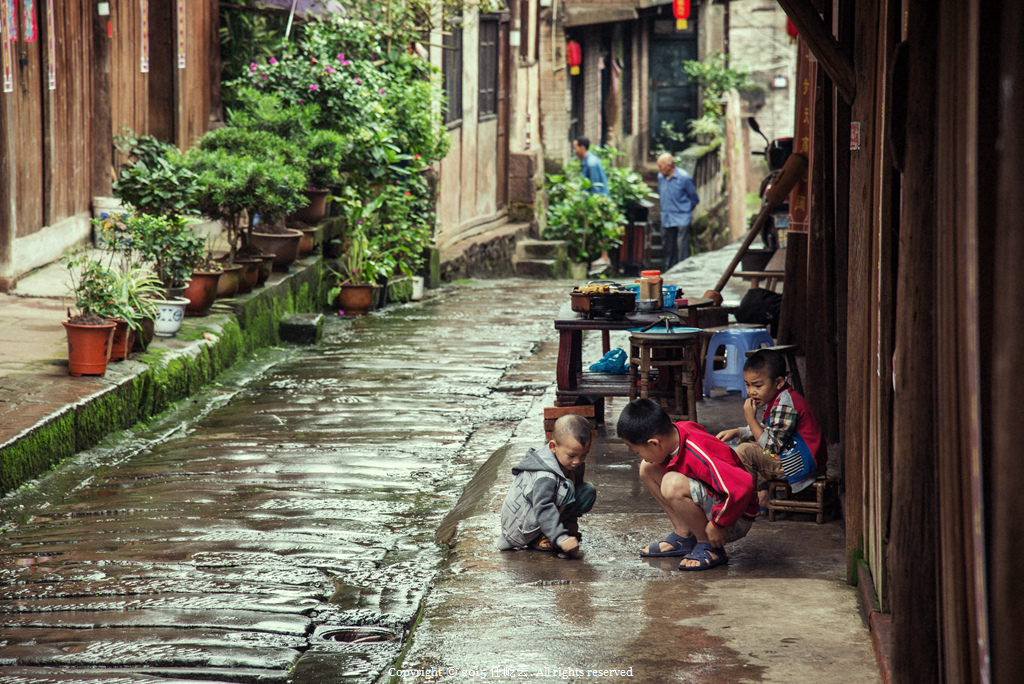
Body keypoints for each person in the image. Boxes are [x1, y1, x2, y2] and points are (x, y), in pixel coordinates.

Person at [617, 398, 757, 571]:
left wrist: (718, 524)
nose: (640, 456)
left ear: (654, 443)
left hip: (735, 518)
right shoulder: (677, 432)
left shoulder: (697, 452)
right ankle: (685, 534)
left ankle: (709, 545)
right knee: (647, 467)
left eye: (638, 451)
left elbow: (744, 486)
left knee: (671, 484)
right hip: (719, 506)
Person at [715, 349, 826, 510]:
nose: (752, 391)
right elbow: (767, 431)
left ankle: (746, 505)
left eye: (758, 385)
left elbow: (771, 445)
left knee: (746, 451)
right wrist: (737, 431)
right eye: (748, 385)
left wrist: (750, 419)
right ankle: (762, 496)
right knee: (745, 440)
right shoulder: (780, 397)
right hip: (794, 456)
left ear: (779, 382)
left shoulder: (785, 405)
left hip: (802, 464)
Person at [498, 414, 596, 553]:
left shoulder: (573, 464)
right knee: (567, 487)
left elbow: (574, 494)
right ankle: (543, 536)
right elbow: (543, 507)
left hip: (541, 517)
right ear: (553, 447)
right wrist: (560, 537)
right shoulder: (544, 475)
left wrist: (572, 522)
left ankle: (560, 525)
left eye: (583, 455)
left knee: (587, 491)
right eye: (571, 455)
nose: (577, 461)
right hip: (521, 530)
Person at [573, 136, 612, 267]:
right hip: (596, 199)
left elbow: (595, 186)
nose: (574, 150)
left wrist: (593, 204)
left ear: (582, 148)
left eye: (575, 147)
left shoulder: (591, 163)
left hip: (599, 199)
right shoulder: (587, 160)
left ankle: (604, 256)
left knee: (600, 227)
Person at [656, 152, 700, 269]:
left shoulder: (684, 178)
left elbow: (694, 198)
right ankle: (669, 269)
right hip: (667, 216)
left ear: (668, 165)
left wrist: (686, 210)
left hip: (682, 216)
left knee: (682, 246)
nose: (659, 169)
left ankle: (683, 270)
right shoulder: (661, 177)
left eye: (660, 166)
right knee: (668, 247)